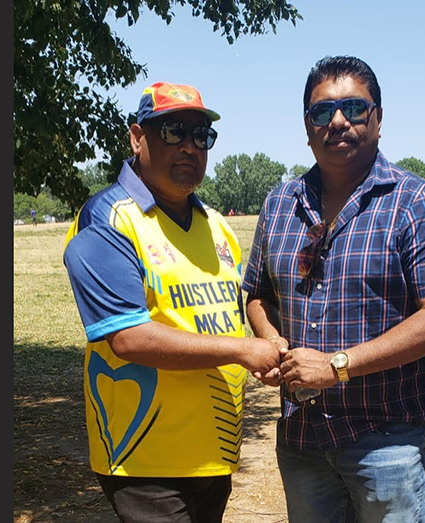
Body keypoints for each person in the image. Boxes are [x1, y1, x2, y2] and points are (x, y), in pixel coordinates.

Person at [242, 55, 425, 523]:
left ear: (378, 120)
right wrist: (269, 338)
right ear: (307, 127)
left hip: (387, 439)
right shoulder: (280, 203)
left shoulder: (416, 201)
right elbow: (257, 293)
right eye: (323, 112)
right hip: (301, 438)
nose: (338, 120)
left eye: (354, 108)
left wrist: (337, 367)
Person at [62, 81, 282, 523]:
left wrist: (267, 343)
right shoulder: (107, 220)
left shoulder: (216, 226)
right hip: (147, 458)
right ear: (137, 137)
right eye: (173, 131)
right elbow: (129, 338)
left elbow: (227, 313)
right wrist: (243, 350)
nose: (189, 146)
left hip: (214, 452)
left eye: (201, 135)